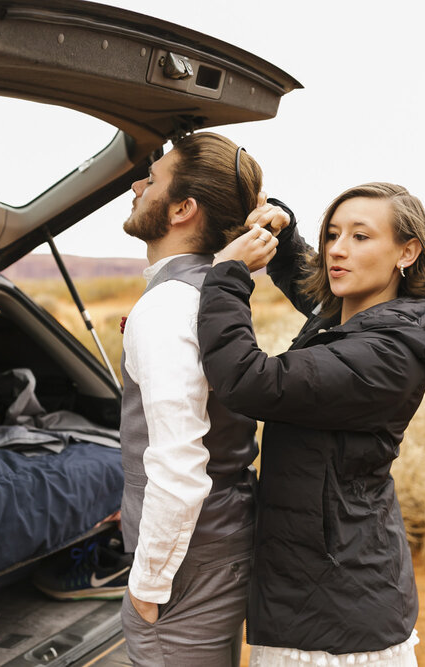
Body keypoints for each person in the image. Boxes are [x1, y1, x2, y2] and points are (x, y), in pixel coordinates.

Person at [196, 183, 425, 666]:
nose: (337, 249)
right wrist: (284, 234)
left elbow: (250, 381)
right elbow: (309, 283)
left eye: (360, 237)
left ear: (407, 251)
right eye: (333, 234)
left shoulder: (386, 355)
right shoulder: (359, 319)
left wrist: (227, 277)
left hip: (335, 618)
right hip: (322, 588)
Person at [118, 132, 280, 666]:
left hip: (187, 560)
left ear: (183, 208)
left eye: (154, 178)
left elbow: (179, 462)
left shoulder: (169, 305)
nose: (138, 185)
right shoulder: (214, 293)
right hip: (221, 539)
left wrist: (147, 584)